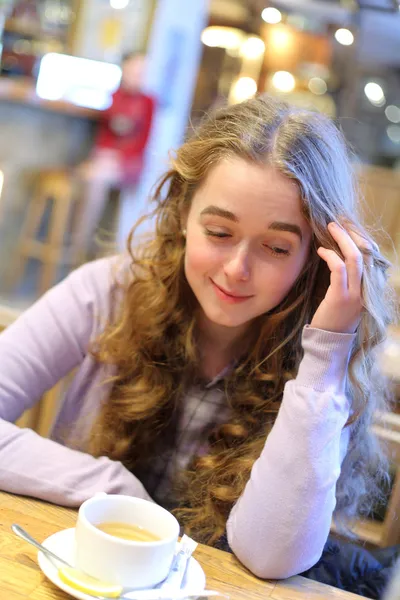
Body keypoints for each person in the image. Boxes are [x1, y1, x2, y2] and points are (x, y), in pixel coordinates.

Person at [0, 96, 394, 584]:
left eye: (275, 247)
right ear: (184, 213)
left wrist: (328, 351)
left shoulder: (328, 360)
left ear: (316, 255)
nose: (237, 270)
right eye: (219, 232)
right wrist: (109, 486)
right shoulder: (107, 292)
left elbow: (272, 557)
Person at [73, 52, 155, 260]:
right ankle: (81, 246)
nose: (137, 75)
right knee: (95, 180)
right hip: (104, 159)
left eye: (141, 71)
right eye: (133, 70)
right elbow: (104, 137)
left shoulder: (148, 102)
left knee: (96, 178)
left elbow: (142, 143)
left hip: (129, 165)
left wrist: (115, 158)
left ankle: (85, 248)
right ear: (124, 70)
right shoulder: (114, 96)